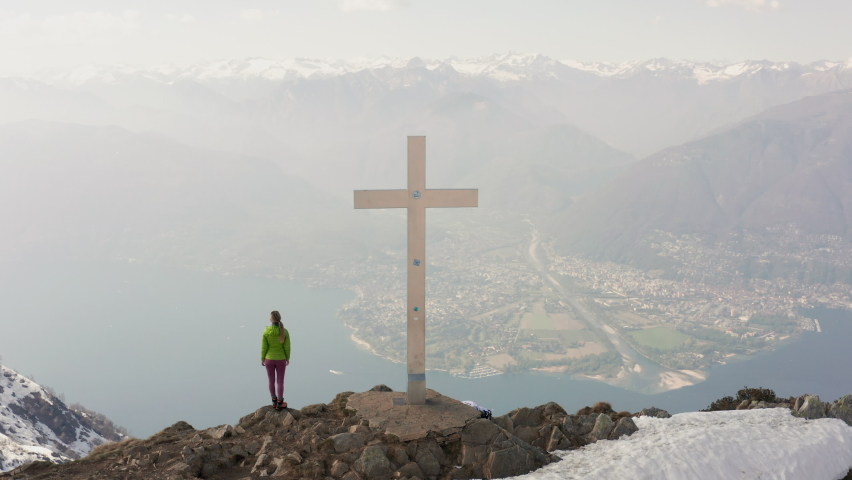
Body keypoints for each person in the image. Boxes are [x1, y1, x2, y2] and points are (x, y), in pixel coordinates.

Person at [261, 311, 291, 410]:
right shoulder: (284, 331)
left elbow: (264, 347)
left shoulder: (266, 332)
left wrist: (262, 358)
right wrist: (287, 358)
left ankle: (274, 402)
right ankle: (280, 403)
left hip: (269, 359)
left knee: (271, 381)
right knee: (280, 381)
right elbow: (287, 347)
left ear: (271, 319)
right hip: (281, 359)